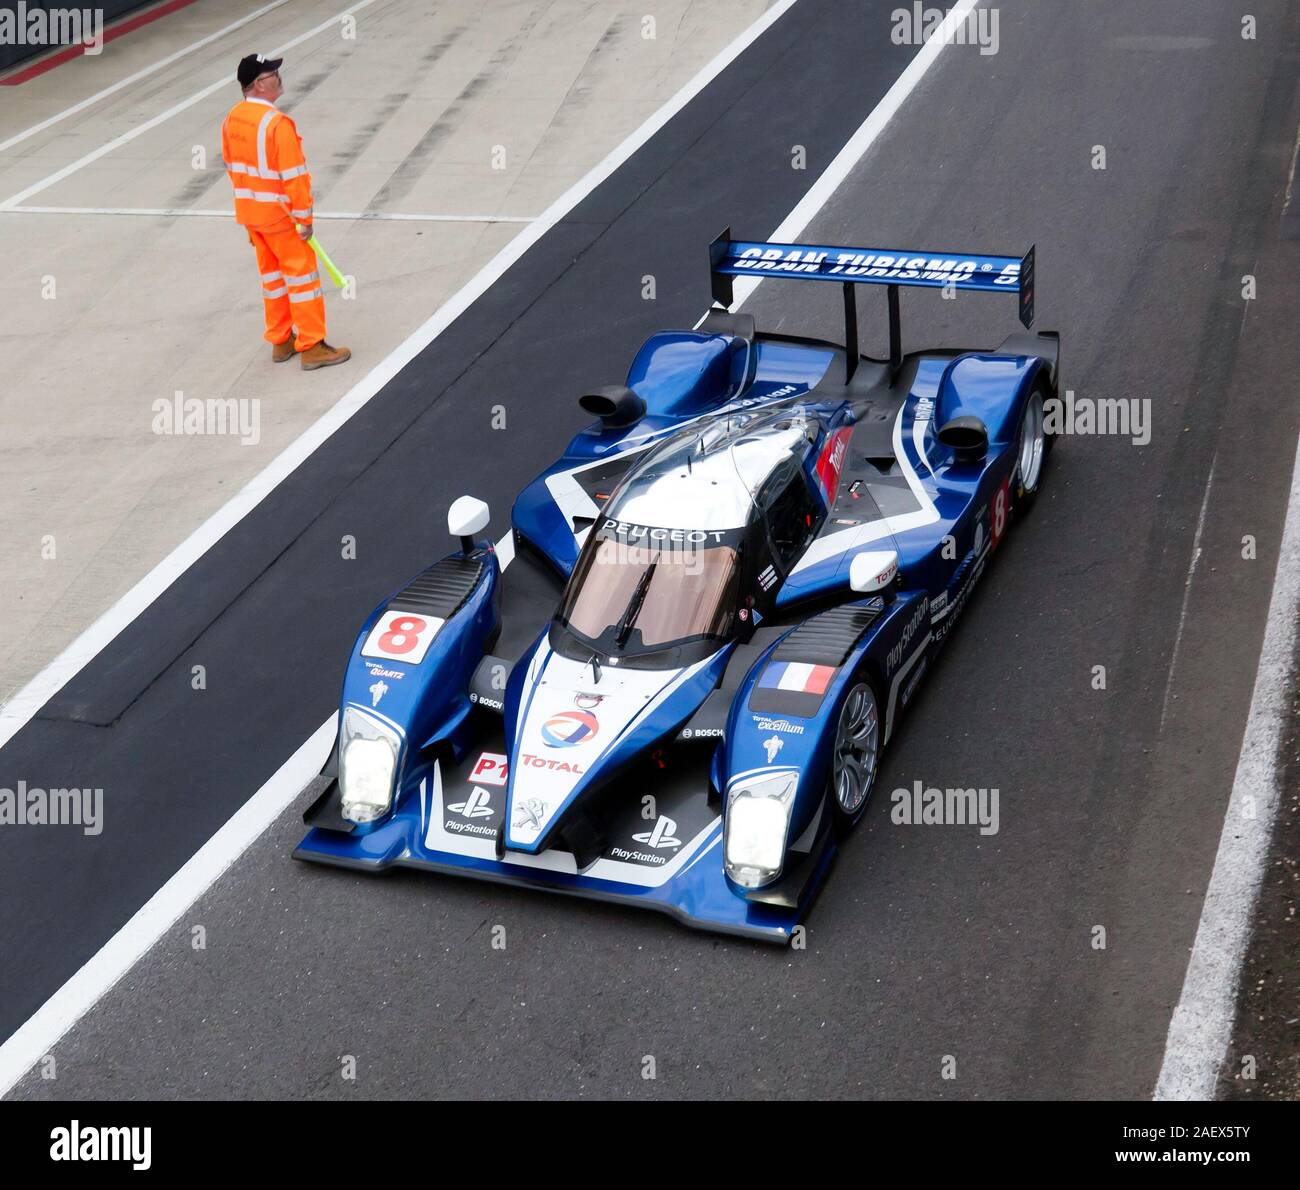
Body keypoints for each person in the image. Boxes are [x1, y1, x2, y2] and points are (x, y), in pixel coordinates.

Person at [221, 54, 350, 370]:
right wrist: (304, 219)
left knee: (273, 278)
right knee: (302, 278)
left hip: (252, 216)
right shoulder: (276, 124)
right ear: (261, 83)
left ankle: (281, 340)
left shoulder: (232, 120)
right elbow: (294, 176)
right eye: (273, 73)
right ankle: (312, 345)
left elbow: (232, 168)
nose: (279, 76)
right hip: (282, 218)